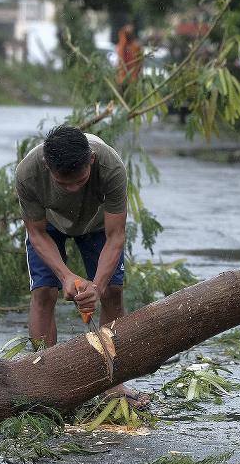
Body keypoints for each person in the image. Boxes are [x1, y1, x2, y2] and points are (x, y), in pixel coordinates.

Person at [16, 125, 148, 406]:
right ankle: (43, 379)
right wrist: (65, 277)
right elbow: (36, 233)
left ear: (91, 160)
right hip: (48, 226)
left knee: (113, 291)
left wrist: (96, 288)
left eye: (80, 181)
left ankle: (112, 382)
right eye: (63, 184)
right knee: (44, 293)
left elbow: (116, 236)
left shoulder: (111, 166)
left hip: (98, 225)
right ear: (46, 165)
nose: (73, 189)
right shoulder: (28, 173)